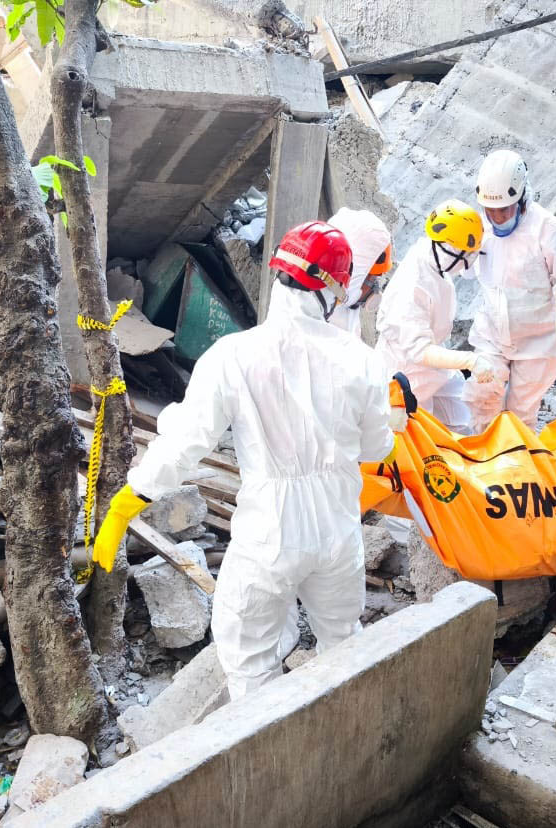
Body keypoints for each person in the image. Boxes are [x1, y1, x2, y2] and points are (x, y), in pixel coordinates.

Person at [93, 221, 399, 699]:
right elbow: (377, 449)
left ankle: (272, 760)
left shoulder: (232, 355)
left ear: (279, 272)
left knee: (249, 656)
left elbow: (186, 443)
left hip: (270, 531)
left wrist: (129, 499)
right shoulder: (362, 360)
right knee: (343, 641)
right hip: (340, 525)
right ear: (337, 288)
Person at [463, 149, 556, 430]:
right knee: (481, 398)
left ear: (521, 198)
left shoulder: (548, 230)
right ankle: (484, 462)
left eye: (503, 210)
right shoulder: (479, 226)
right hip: (492, 334)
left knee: (520, 412)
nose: (496, 217)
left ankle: (518, 466)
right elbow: (462, 264)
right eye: (489, 210)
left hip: (538, 341)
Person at [375, 199, 494, 433]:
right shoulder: (413, 285)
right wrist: (470, 361)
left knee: (465, 421)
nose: (468, 263)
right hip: (406, 376)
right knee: (420, 444)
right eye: (467, 255)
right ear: (452, 251)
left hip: (432, 371)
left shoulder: (432, 262)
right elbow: (419, 350)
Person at [326, 207, 393, 338]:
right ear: (356, 274)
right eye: (374, 275)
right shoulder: (328, 326)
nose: (375, 284)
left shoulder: (307, 296)